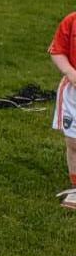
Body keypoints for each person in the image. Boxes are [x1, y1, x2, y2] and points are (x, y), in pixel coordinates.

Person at [50, 11, 76, 210]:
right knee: (73, 142)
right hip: (73, 94)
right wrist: (70, 71)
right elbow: (57, 51)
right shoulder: (71, 21)